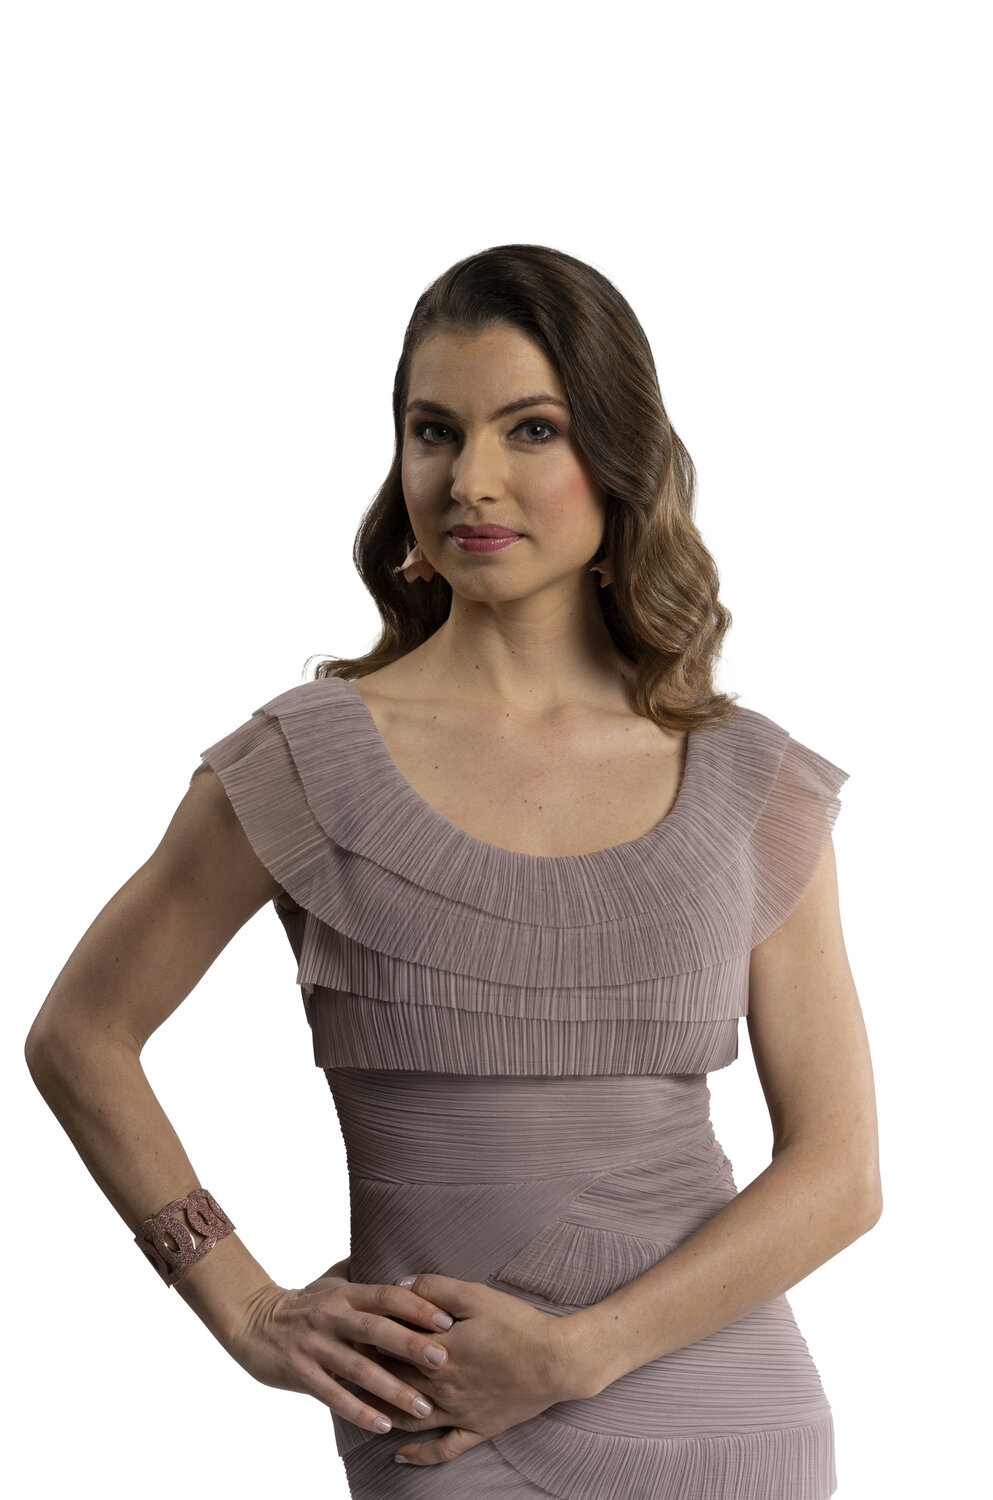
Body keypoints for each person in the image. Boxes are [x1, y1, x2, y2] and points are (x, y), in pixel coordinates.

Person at [25, 243, 881, 1499]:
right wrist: (242, 1304)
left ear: (619, 460)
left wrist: (578, 1354)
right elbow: (80, 1037)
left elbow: (839, 1175)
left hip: (726, 1419)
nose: (471, 479)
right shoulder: (306, 762)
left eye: (531, 429)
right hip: (437, 1423)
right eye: (435, 431)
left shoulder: (744, 778)